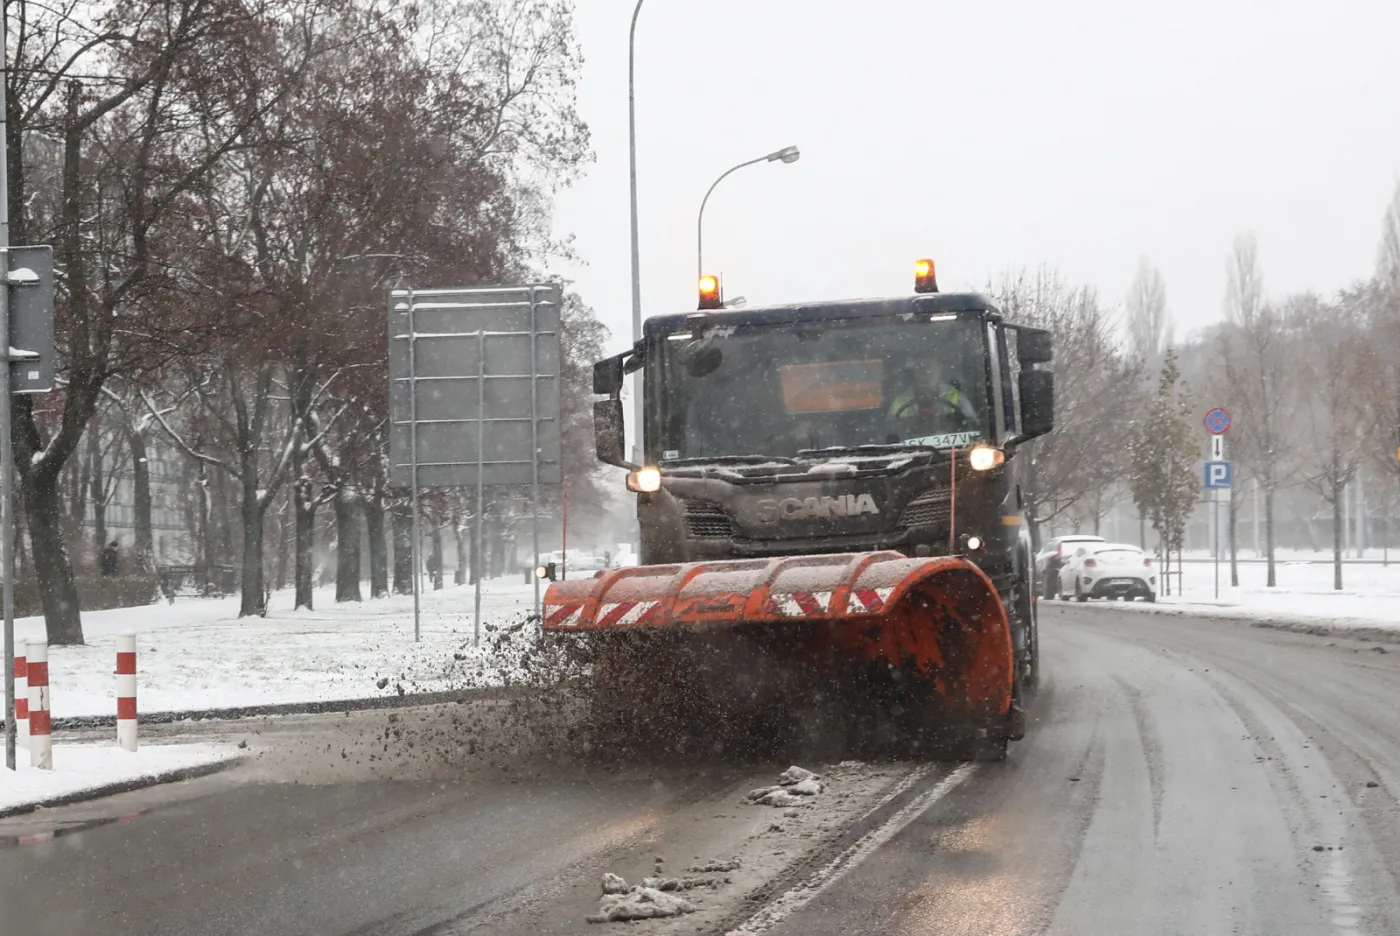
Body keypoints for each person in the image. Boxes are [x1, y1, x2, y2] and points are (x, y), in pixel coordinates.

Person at [886, 359, 980, 437]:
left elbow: (973, 429)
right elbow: (891, 437)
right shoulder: (899, 403)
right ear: (914, 373)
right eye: (920, 369)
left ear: (939, 371)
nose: (925, 374)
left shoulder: (956, 397)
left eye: (930, 369)